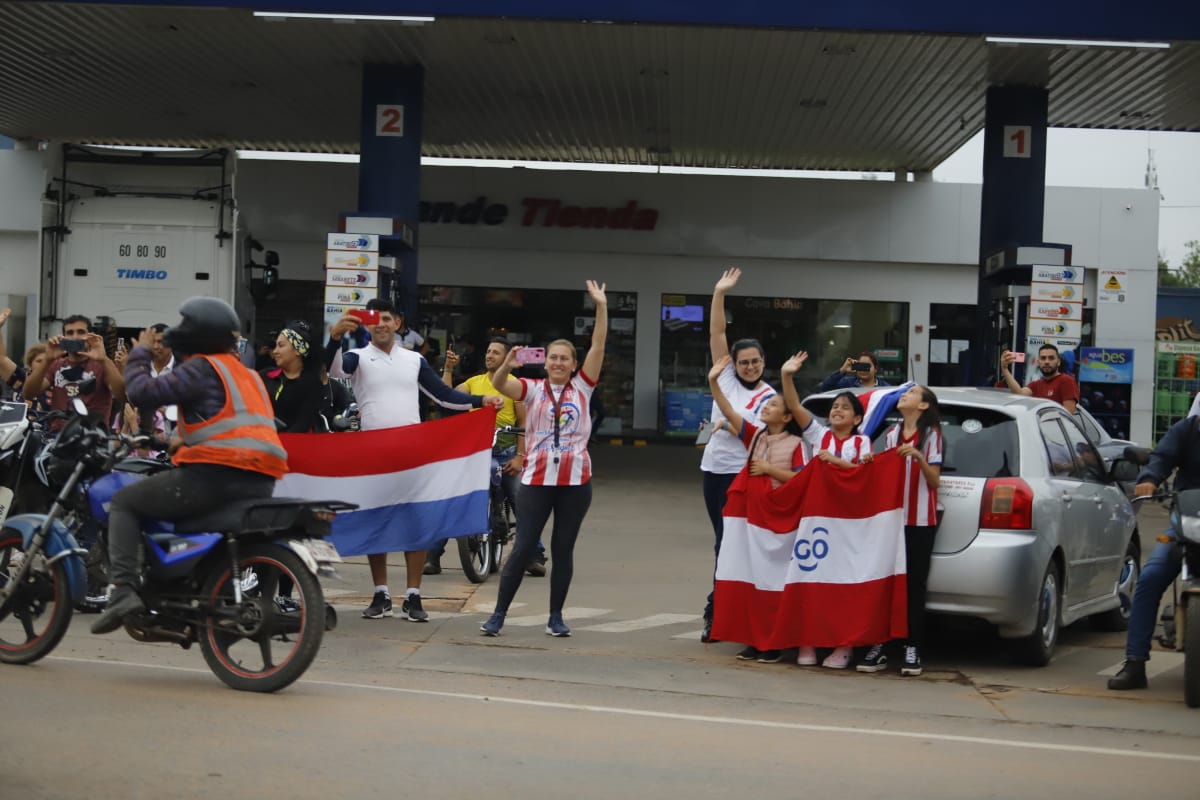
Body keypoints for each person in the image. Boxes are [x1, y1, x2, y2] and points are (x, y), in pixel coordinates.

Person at [90, 297, 289, 634]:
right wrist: (178, 440)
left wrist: (140, 353)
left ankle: (121, 591)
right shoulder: (248, 375)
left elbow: (141, 392)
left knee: (125, 502)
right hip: (261, 478)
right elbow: (228, 423)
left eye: (184, 325)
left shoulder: (201, 368)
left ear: (197, 334)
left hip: (216, 475)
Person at [325, 298, 503, 622]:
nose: (381, 324)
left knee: (415, 521)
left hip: (412, 454)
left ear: (398, 323)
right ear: (367, 325)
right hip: (373, 452)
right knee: (375, 521)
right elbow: (332, 369)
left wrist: (481, 400)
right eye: (375, 319)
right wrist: (335, 338)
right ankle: (381, 593)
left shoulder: (413, 361)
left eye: (387, 319)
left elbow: (445, 396)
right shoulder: (357, 358)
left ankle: (413, 595)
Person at [478, 279, 608, 637]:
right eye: (553, 357)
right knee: (522, 550)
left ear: (573, 364)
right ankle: (499, 615)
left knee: (563, 550)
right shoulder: (532, 389)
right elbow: (501, 384)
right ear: (545, 361)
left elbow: (599, 343)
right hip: (536, 481)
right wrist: (508, 362)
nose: (558, 363)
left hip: (574, 483)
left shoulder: (583, 386)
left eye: (564, 359)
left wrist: (601, 305)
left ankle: (555, 617)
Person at [708, 353, 806, 664]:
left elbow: (802, 480)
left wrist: (769, 470)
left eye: (774, 405)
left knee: (773, 584)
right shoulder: (755, 435)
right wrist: (713, 380)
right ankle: (753, 640)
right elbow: (726, 409)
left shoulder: (796, 444)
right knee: (751, 582)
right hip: (753, 521)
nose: (766, 407)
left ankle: (773, 642)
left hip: (781, 525)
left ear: (788, 417)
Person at [699, 268, 777, 643]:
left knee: (730, 543)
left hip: (743, 475)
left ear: (764, 362)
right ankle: (721, 611)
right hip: (713, 470)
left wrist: (730, 425)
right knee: (721, 539)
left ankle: (719, 611)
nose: (749, 367)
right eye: (744, 362)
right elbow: (717, 333)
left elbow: (756, 435)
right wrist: (719, 293)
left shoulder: (769, 397)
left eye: (755, 362)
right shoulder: (725, 377)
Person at [781, 364, 873, 669]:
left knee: (844, 583)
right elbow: (794, 405)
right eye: (835, 406)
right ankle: (808, 642)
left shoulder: (863, 443)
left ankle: (842, 645)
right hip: (816, 521)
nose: (837, 410)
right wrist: (787, 376)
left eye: (845, 407)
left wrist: (835, 462)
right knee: (812, 580)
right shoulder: (818, 435)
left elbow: (864, 475)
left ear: (857, 418)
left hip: (848, 524)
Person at [427, 338, 537, 576]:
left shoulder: (514, 385)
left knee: (519, 497)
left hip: (504, 452)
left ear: (507, 358)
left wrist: (519, 456)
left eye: (496, 353)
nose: (489, 355)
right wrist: (448, 369)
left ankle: (534, 553)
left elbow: (523, 423)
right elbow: (447, 397)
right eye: (488, 351)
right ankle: (433, 555)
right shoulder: (473, 382)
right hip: (473, 452)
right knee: (451, 499)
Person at [1107, 413, 1200, 691]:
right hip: (1188, 523)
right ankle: (1135, 662)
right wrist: (1149, 478)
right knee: (1150, 578)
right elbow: (1161, 457)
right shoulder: (1188, 429)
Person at [856, 385, 943, 677]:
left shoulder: (932, 436)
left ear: (923, 406)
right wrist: (870, 461)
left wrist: (918, 457)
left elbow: (935, 482)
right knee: (886, 583)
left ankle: (912, 646)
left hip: (919, 522)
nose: (904, 395)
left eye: (913, 393)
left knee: (914, 585)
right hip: (891, 521)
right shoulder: (891, 435)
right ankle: (879, 645)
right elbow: (882, 472)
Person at [23, 314, 125, 428]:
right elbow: (28, 393)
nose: (75, 336)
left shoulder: (102, 364)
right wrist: (47, 359)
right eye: (70, 333)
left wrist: (104, 359)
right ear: (63, 337)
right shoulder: (56, 364)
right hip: (59, 435)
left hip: (93, 435)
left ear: (90, 336)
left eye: (81, 332)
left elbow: (121, 395)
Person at [260, 324, 327, 433]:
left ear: (297, 350)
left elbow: (303, 424)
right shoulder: (264, 376)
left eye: (281, 346)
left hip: (294, 445)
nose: (275, 351)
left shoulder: (312, 385)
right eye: (275, 346)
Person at [1000, 344, 1079, 413]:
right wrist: (1005, 369)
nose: (1047, 362)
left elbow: (1068, 413)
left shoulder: (1066, 381)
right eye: (1043, 358)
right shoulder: (1036, 384)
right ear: (1038, 362)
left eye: (1051, 358)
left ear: (1058, 362)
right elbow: (1019, 394)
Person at [816, 351, 890, 392]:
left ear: (875, 369)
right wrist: (842, 370)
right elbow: (825, 387)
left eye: (867, 366)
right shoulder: (847, 383)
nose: (863, 370)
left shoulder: (885, 388)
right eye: (861, 366)